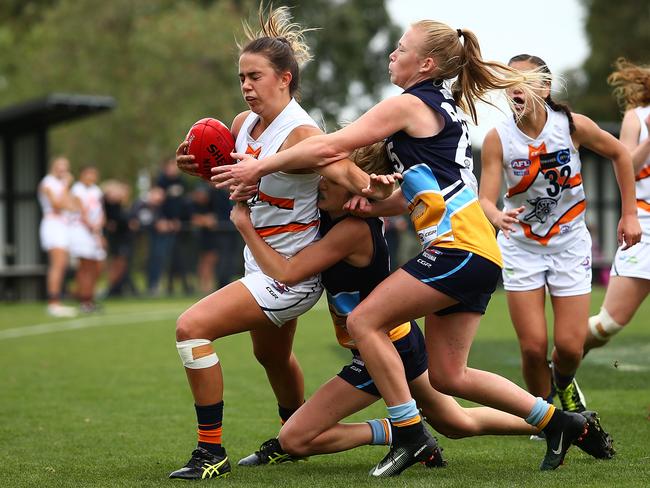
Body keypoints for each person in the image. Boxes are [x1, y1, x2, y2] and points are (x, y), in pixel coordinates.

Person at [214, 21, 605, 474]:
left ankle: (410, 433)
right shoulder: (441, 108)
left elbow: (329, 147)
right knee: (449, 376)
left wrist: (257, 168)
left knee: (364, 320)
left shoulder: (410, 104)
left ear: (427, 64)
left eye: (400, 49)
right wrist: (378, 200)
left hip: (458, 246)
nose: (391, 55)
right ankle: (559, 421)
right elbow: (424, 195)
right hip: (475, 249)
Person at [229, 142, 612, 469]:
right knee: (456, 422)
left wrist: (244, 224)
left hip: (383, 349)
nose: (320, 184)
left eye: (332, 178)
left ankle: (398, 429)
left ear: (354, 187)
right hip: (397, 340)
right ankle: (562, 422)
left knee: (294, 439)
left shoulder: (350, 229)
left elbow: (286, 272)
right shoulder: (333, 217)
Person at [169, 5, 385, 480]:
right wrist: (200, 168)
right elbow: (239, 183)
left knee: (191, 328)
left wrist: (381, 187)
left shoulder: (300, 133)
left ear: (285, 79)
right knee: (270, 355)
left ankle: (210, 452)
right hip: (259, 262)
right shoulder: (244, 124)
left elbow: (351, 177)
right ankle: (299, 432)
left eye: (255, 76)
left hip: (291, 272)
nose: (246, 86)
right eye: (241, 77)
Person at [479, 54, 640, 421]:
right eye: (507, 82)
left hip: (569, 245)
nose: (514, 88)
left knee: (568, 347)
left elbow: (619, 154)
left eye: (522, 80)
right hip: (521, 248)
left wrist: (629, 213)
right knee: (534, 347)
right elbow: (486, 199)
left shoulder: (571, 126)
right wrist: (496, 216)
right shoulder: (498, 138)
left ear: (545, 87)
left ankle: (564, 381)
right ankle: (549, 418)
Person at [584, 58, 650, 353]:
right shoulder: (637, 116)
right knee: (608, 323)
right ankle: (562, 361)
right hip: (645, 224)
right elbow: (626, 167)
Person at [37, 156, 77, 317]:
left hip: (63, 225)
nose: (63, 169)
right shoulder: (47, 183)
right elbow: (57, 204)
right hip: (52, 225)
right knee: (57, 264)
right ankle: (53, 303)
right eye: (59, 166)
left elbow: (73, 206)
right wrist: (66, 187)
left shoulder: (60, 185)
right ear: (53, 167)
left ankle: (58, 300)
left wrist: (65, 199)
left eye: (65, 166)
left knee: (63, 265)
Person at [69, 165, 106, 313]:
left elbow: (101, 211)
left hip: (95, 231)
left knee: (97, 267)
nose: (91, 177)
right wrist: (93, 227)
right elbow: (82, 211)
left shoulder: (96, 190)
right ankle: (84, 300)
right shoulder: (77, 190)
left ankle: (89, 297)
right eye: (88, 174)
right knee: (85, 266)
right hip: (82, 231)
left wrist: (99, 229)